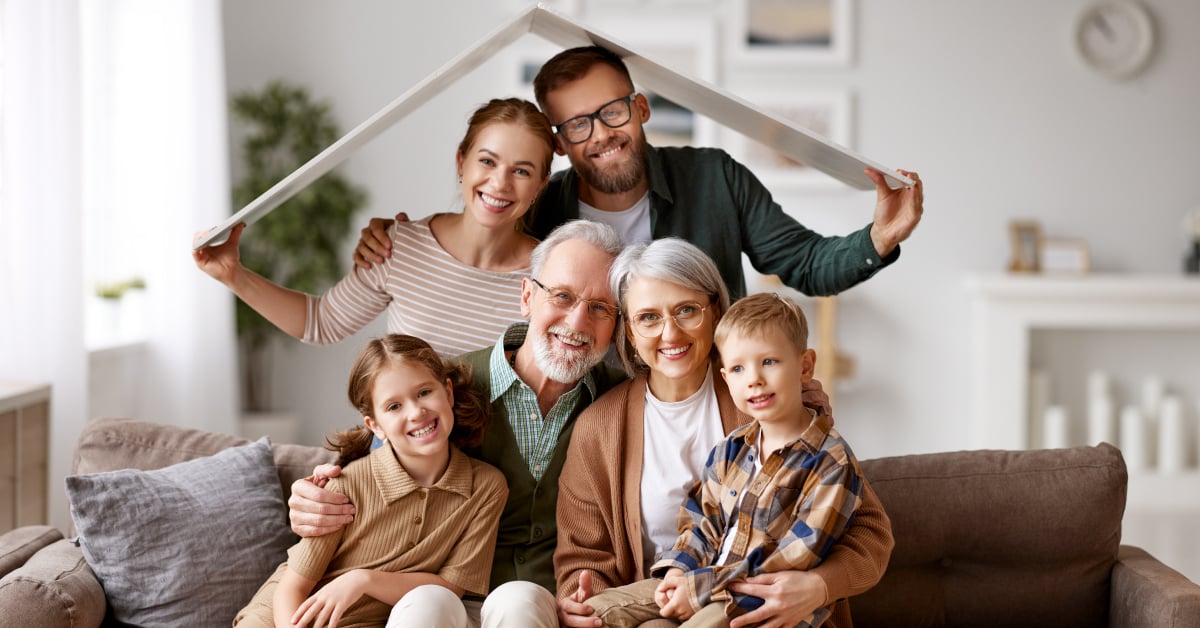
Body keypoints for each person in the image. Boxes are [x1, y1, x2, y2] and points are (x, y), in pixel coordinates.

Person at [352, 46, 925, 300]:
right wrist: (396, 240)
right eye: (577, 125)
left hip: (706, 394)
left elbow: (803, 262)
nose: (600, 133)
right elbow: (471, 247)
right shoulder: (542, 208)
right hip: (589, 416)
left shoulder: (714, 177)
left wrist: (878, 239)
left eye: (612, 112)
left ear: (641, 108)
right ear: (558, 142)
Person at [288, 220, 628, 627]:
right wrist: (314, 497)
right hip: (437, 601)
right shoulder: (442, 391)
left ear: (616, 324)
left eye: (600, 307)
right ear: (526, 296)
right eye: (562, 296)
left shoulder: (622, 403)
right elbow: (376, 471)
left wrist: (593, 594)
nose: (576, 322)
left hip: (542, 609)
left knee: (518, 602)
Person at [555, 238, 892, 628]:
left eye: (686, 310)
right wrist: (584, 604)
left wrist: (818, 586)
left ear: (715, 311)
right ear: (629, 333)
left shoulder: (768, 402)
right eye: (648, 317)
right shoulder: (600, 427)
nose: (670, 333)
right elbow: (584, 555)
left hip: (768, 606)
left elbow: (869, 532)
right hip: (663, 599)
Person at [194, 98, 555, 357]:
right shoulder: (400, 247)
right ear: (462, 162)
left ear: (541, 184)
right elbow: (322, 322)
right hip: (395, 454)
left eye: (522, 171)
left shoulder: (549, 276)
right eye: (487, 161)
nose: (500, 183)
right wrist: (233, 275)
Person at [233, 334, 508, 628]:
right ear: (376, 425)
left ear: (448, 393)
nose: (416, 412)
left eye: (424, 392)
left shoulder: (486, 488)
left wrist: (363, 580)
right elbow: (292, 588)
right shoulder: (344, 486)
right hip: (282, 617)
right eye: (394, 407)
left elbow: (450, 588)